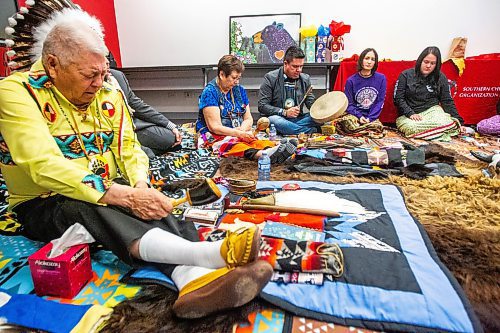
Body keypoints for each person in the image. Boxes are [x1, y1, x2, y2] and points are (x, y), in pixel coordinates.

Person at [0, 9, 272, 319]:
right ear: (53, 65)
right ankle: (204, 257)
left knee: (158, 202)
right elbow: (43, 165)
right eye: (89, 75)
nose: (100, 82)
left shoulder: (107, 88)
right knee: (91, 205)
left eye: (103, 73)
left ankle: (192, 279)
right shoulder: (16, 92)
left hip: (113, 187)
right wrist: (126, 196)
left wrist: (141, 187)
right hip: (45, 202)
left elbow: (129, 146)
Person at [196, 54, 297, 163]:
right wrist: (238, 133)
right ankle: (264, 155)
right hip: (217, 136)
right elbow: (214, 127)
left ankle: (275, 150)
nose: (237, 82)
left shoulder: (239, 90)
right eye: (234, 78)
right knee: (232, 146)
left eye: (239, 78)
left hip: (238, 133)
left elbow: (248, 119)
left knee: (256, 141)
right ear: (221, 74)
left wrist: (243, 130)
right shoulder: (210, 92)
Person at [106, 67, 182, 158]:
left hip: (132, 127)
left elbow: (137, 105)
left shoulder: (117, 76)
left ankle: (141, 151)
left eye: (107, 63)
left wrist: (170, 125)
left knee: (172, 139)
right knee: (147, 155)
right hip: (111, 133)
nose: (106, 66)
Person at [394, 46, 465, 141]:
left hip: (433, 113)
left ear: (437, 65)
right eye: (426, 62)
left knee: (449, 122)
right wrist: (410, 114)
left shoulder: (440, 77)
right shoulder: (406, 75)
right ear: (420, 61)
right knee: (411, 128)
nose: (428, 66)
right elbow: (398, 99)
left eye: (432, 63)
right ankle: (440, 134)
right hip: (409, 116)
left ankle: (431, 134)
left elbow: (447, 101)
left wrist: (459, 122)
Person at [258, 46, 319, 135]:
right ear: (285, 63)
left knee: (317, 118)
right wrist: (285, 112)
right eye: (295, 66)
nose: (299, 70)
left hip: (298, 119)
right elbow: (262, 106)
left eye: (301, 66)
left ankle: (290, 129)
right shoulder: (270, 78)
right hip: (279, 118)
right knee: (273, 120)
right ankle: (310, 131)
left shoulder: (305, 79)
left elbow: (310, 102)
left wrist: (321, 110)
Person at [336, 48, 386, 137]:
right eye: (367, 58)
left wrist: (370, 118)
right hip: (355, 115)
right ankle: (362, 132)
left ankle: (365, 131)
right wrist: (359, 116)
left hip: (371, 117)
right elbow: (349, 104)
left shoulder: (381, 78)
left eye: (373, 59)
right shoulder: (351, 81)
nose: (369, 62)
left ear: (375, 63)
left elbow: (380, 102)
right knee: (349, 126)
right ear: (361, 60)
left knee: (378, 129)